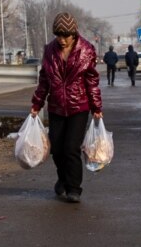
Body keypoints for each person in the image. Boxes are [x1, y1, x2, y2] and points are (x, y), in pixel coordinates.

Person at [30, 12, 103, 203]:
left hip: (79, 106)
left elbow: (91, 80)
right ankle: (62, 178)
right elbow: (44, 79)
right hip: (56, 107)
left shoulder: (86, 50)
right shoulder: (49, 51)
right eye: (58, 36)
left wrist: (96, 106)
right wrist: (37, 103)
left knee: (71, 148)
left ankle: (74, 189)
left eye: (66, 36)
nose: (62, 40)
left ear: (74, 34)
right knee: (56, 149)